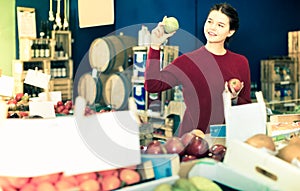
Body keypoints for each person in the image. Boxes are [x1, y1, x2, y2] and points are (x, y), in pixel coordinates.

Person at [144, 3, 252, 136]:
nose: (212, 28)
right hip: (191, 139)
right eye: (210, 21)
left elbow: (246, 106)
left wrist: (234, 99)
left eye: (220, 25)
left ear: (231, 31)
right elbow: (152, 85)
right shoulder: (188, 62)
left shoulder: (241, 62)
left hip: (227, 137)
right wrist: (155, 45)